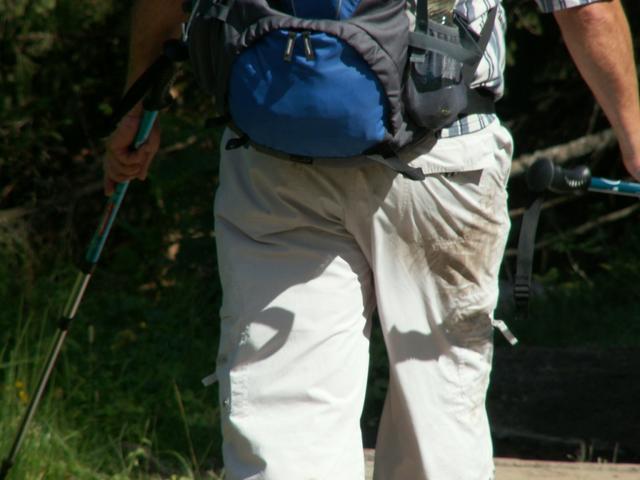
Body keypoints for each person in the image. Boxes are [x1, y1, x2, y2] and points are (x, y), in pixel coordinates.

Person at [104, 0, 640, 478]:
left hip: (276, 148)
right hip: (438, 151)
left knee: (286, 418)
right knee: (437, 414)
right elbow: (585, 8)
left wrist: (137, 109)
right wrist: (634, 137)